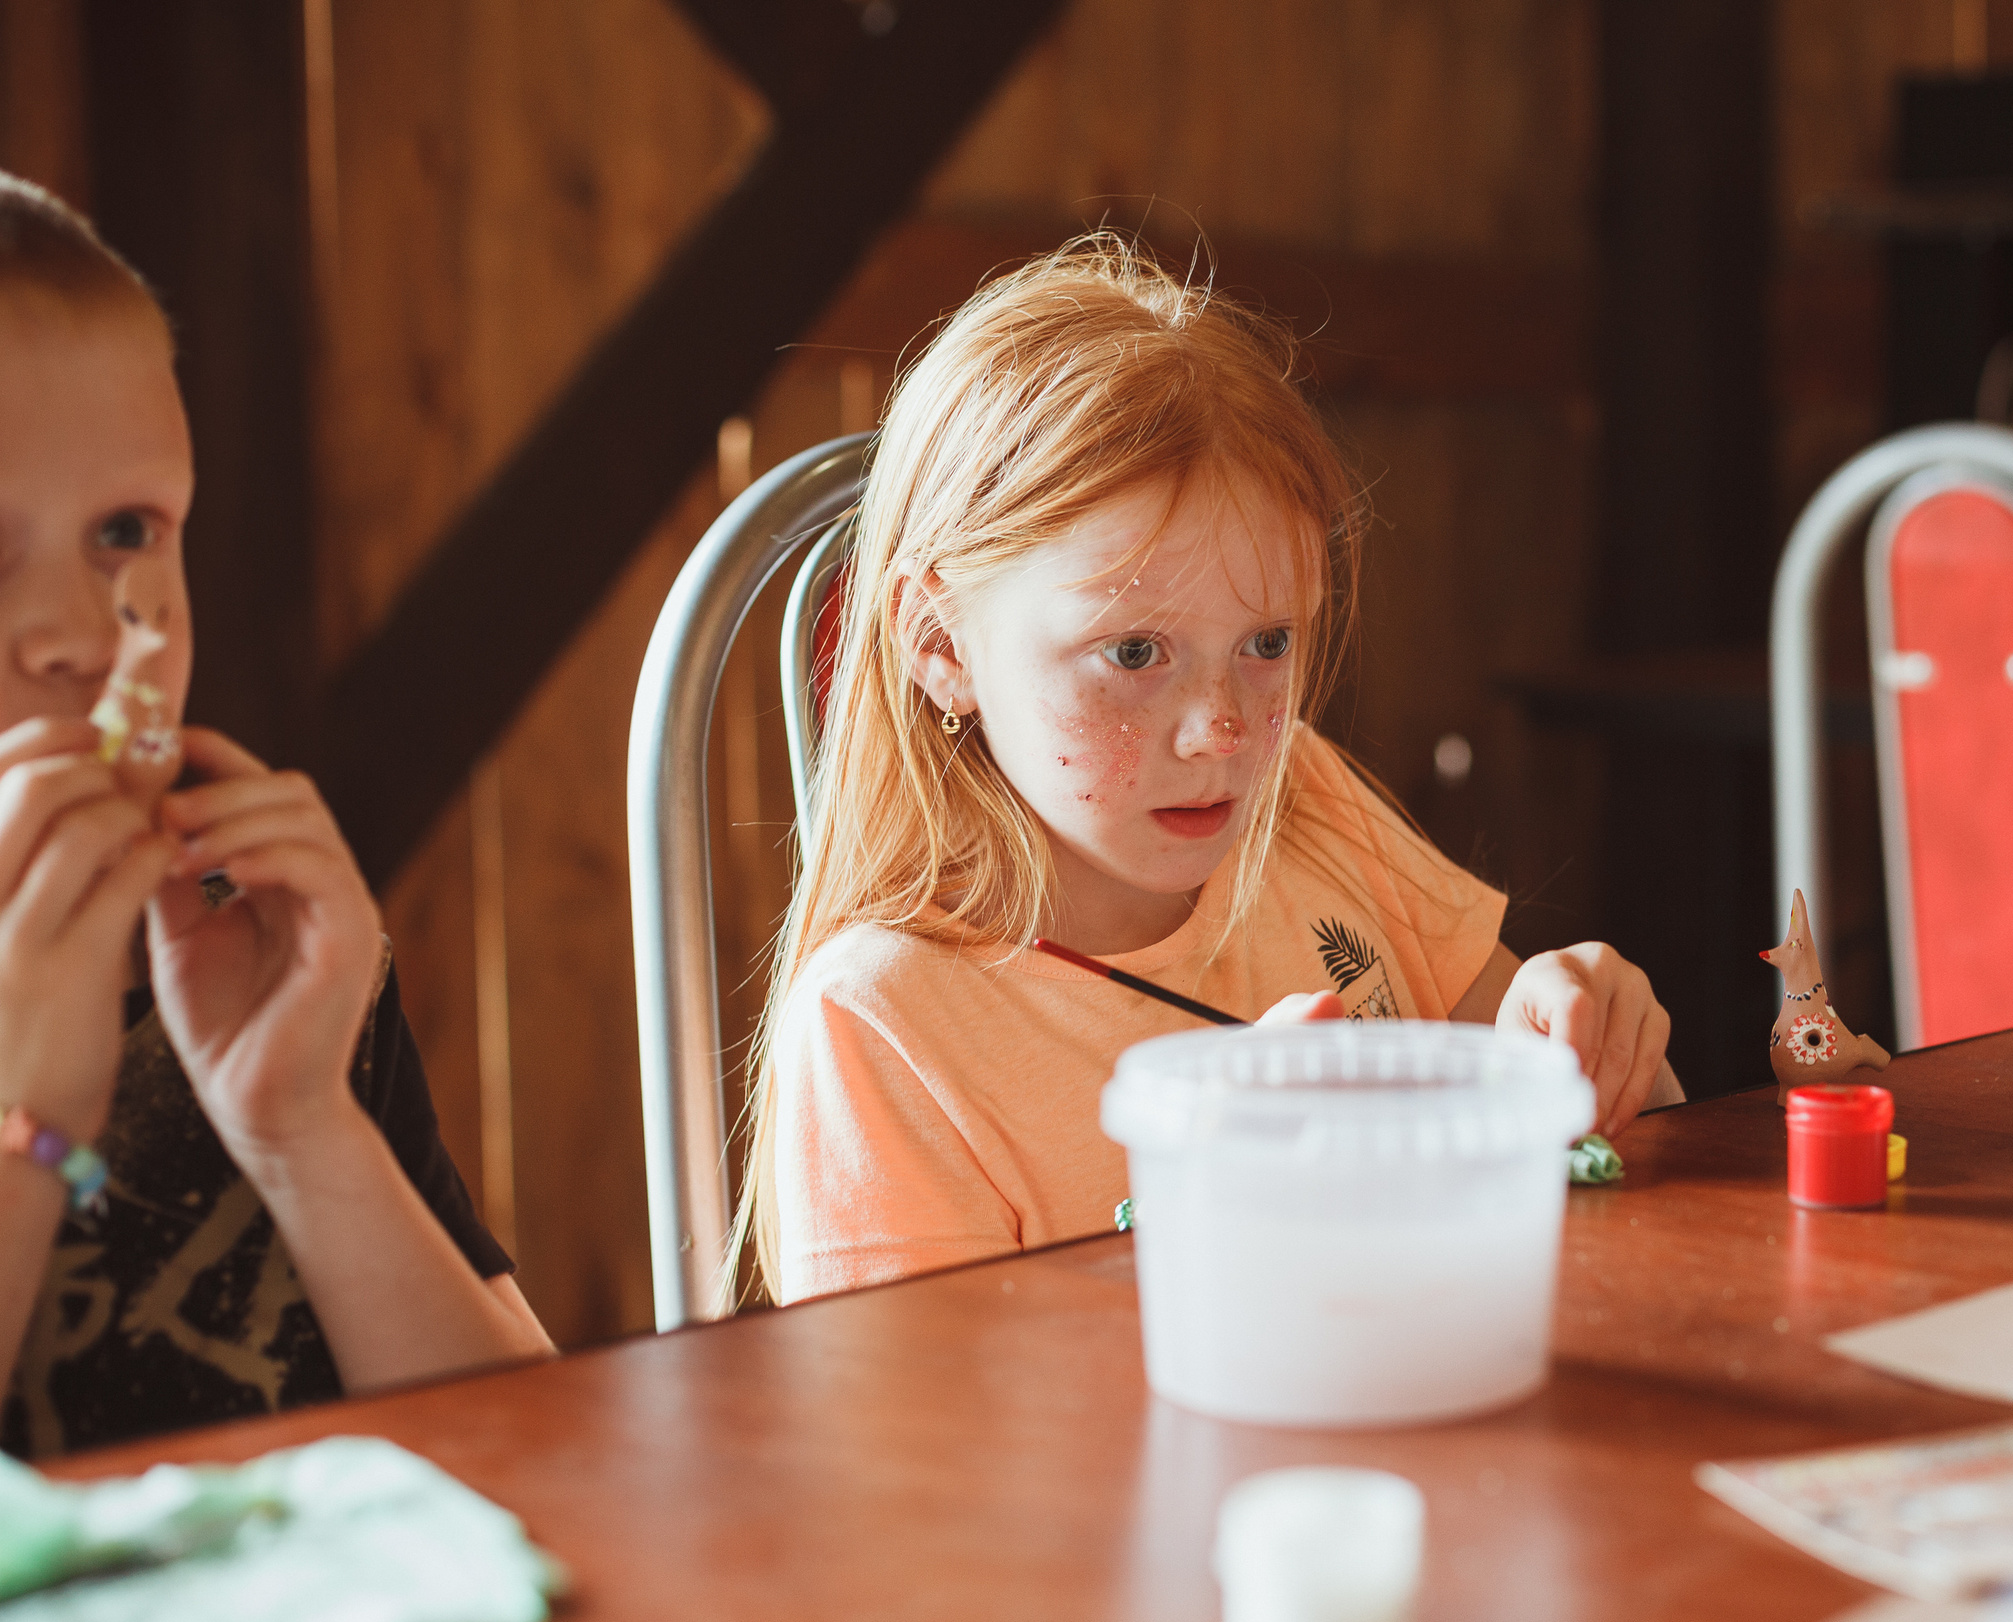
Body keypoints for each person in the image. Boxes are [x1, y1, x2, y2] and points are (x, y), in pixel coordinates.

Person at [746, 235, 1681, 1305]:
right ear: (940, 644)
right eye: (1134, 653)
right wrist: (1221, 1192)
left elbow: (1566, 1134)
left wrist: (1581, 1043)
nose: (1222, 731)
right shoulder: (882, 1026)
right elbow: (917, 1413)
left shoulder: (1304, 801)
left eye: (1266, 643)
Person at [0, 172, 551, 1457]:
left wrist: (301, 1125)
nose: (82, 632)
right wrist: (30, 1128)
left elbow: (543, 1458)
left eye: (126, 529)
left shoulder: (252, 940)